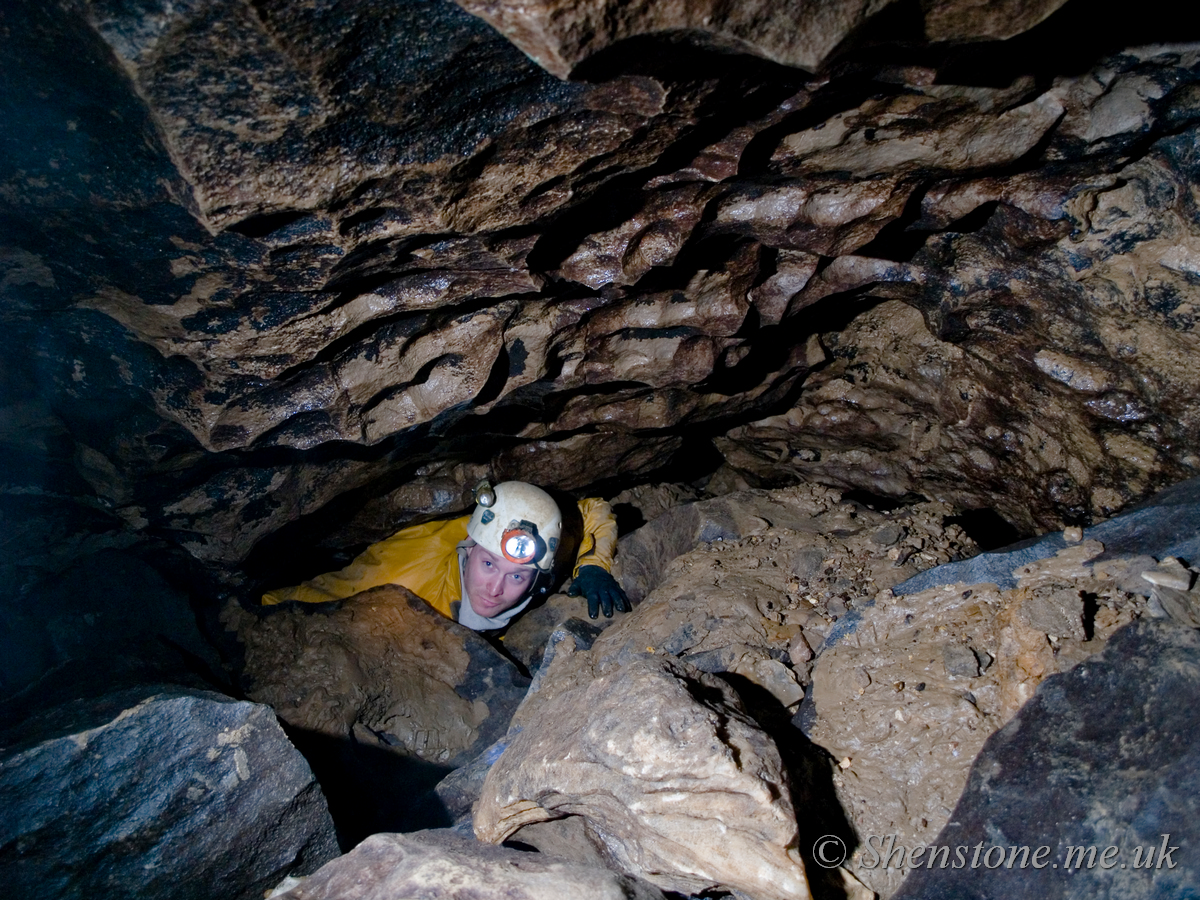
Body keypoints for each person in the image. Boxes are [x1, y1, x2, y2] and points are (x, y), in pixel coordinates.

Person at [261, 481, 630, 631]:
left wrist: (593, 567)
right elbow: (297, 600)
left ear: (538, 577)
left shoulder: (538, 551)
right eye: (488, 565)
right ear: (469, 550)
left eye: (517, 577)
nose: (495, 589)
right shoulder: (402, 571)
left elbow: (592, 511)